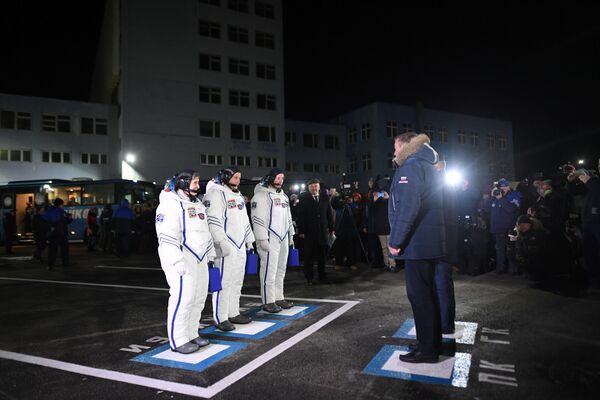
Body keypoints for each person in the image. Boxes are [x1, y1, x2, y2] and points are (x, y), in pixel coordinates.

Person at [388, 132, 446, 364]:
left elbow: (408, 207)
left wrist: (396, 241)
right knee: (428, 294)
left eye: (395, 147)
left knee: (420, 297)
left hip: (417, 243)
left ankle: (428, 351)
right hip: (428, 241)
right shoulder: (426, 164)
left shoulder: (410, 167)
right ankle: (429, 342)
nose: (394, 152)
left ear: (405, 145)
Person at [155, 169, 215, 354]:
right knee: (183, 299)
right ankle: (178, 339)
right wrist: (176, 260)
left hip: (200, 258)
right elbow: (166, 235)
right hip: (182, 259)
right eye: (195, 182)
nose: (198, 186)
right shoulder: (169, 205)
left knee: (198, 298)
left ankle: (191, 333)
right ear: (182, 184)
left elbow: (205, 231)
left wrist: (210, 253)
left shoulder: (197, 205)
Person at [204, 167, 256, 331]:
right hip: (225, 246)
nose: (237, 181)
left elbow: (245, 219)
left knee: (237, 281)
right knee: (224, 282)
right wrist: (221, 241)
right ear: (225, 178)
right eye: (235, 178)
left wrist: (249, 240)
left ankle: (233, 312)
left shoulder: (238, 195)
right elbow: (213, 220)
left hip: (239, 245)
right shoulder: (215, 193)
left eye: (239, 178)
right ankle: (221, 317)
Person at [251, 168, 295, 313]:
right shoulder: (261, 195)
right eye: (277, 178)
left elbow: (288, 217)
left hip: (282, 237)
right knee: (269, 270)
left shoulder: (284, 197)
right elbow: (257, 219)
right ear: (270, 178)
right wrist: (262, 238)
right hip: (270, 237)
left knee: (280, 269)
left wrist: (291, 234)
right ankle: (268, 300)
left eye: (282, 178)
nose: (280, 181)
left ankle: (278, 296)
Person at [296, 178, 334, 285]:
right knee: (309, 256)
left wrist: (331, 229)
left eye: (316, 185)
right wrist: (301, 231)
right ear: (308, 188)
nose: (314, 187)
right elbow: (300, 215)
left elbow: (329, 214)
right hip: (309, 232)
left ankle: (322, 276)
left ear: (319, 186)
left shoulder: (324, 197)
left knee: (322, 256)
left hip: (322, 231)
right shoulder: (303, 198)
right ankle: (309, 278)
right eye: (312, 186)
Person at [488, 178, 520, 274]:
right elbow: (486, 208)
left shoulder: (513, 196)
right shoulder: (495, 197)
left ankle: (513, 269)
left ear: (508, 187)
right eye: (501, 187)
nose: (502, 189)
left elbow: (512, 209)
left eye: (504, 187)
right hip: (497, 229)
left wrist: (501, 199)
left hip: (509, 229)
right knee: (499, 250)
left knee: (510, 250)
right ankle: (500, 268)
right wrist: (491, 196)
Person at [43, 198, 72, 269]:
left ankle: (50, 265)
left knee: (52, 250)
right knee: (64, 250)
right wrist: (69, 219)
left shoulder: (50, 211)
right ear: (60, 205)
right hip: (60, 233)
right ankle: (65, 263)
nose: (63, 206)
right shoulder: (60, 212)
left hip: (53, 234)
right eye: (62, 204)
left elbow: (46, 222)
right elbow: (63, 222)